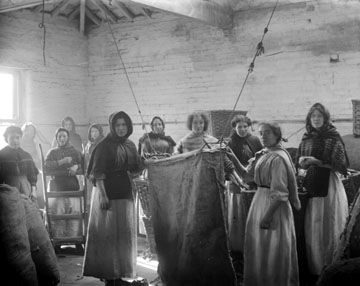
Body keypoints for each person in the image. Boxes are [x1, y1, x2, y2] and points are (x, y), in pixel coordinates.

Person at [83, 111, 141, 285]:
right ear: (112, 127)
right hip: (107, 193)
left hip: (125, 192)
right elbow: (97, 172)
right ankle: (109, 274)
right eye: (118, 125)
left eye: (124, 125)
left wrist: (150, 161)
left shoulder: (130, 145)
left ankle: (121, 272)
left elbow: (136, 166)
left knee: (124, 234)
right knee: (109, 234)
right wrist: (102, 195)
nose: (121, 128)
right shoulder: (104, 146)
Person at [243, 121, 301, 286]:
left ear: (277, 135)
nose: (263, 136)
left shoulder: (277, 158)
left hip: (273, 206)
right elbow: (247, 176)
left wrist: (267, 216)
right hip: (260, 200)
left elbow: (281, 193)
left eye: (268, 133)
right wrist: (230, 156)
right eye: (261, 133)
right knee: (261, 245)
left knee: (273, 246)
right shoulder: (264, 154)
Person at [296, 103, 349, 279]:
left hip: (329, 185)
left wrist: (317, 162)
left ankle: (332, 267)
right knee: (315, 223)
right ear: (309, 119)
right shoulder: (306, 137)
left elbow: (340, 165)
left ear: (325, 118)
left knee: (330, 222)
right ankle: (316, 268)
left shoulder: (332, 137)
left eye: (319, 116)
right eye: (313, 117)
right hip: (312, 184)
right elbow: (299, 163)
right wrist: (303, 163)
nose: (316, 119)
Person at [227, 115, 262, 253]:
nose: (242, 129)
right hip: (236, 181)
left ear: (249, 127)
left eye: (245, 127)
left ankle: (253, 244)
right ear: (234, 128)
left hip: (253, 181)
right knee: (238, 212)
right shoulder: (230, 142)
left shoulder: (255, 140)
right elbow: (228, 164)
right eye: (239, 127)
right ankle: (239, 246)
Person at [44, 128, 83, 247]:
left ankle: (76, 241)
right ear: (56, 138)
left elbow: (84, 164)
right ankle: (57, 241)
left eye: (64, 136)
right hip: (56, 187)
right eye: (59, 136)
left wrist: (77, 166)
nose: (61, 139)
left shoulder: (75, 152)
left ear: (68, 138)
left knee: (74, 214)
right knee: (57, 214)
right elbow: (46, 166)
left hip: (72, 186)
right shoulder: (52, 152)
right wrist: (61, 162)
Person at [0, 126, 38, 202]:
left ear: (21, 138)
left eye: (17, 138)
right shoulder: (1, 156)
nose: (15, 141)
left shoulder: (26, 155)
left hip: (26, 191)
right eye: (11, 138)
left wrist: (33, 191)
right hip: (7, 192)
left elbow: (32, 175)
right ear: (7, 139)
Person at [83, 124, 104, 212]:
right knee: (89, 199)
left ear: (100, 132)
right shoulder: (88, 144)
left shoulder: (103, 143)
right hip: (88, 174)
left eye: (96, 131)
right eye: (92, 131)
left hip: (99, 175)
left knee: (98, 198)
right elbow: (84, 158)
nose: (94, 133)